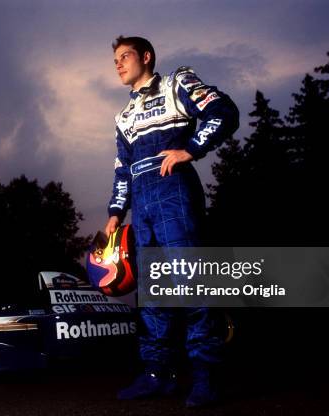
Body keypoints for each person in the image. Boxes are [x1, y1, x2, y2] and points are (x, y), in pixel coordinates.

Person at [104, 36, 239, 407]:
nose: (117, 63)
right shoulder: (123, 116)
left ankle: (206, 379)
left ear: (146, 57)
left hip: (174, 194)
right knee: (154, 297)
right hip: (142, 205)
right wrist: (116, 212)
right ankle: (156, 375)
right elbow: (122, 168)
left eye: (125, 56)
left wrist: (190, 149)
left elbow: (223, 111)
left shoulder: (176, 83)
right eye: (114, 59)